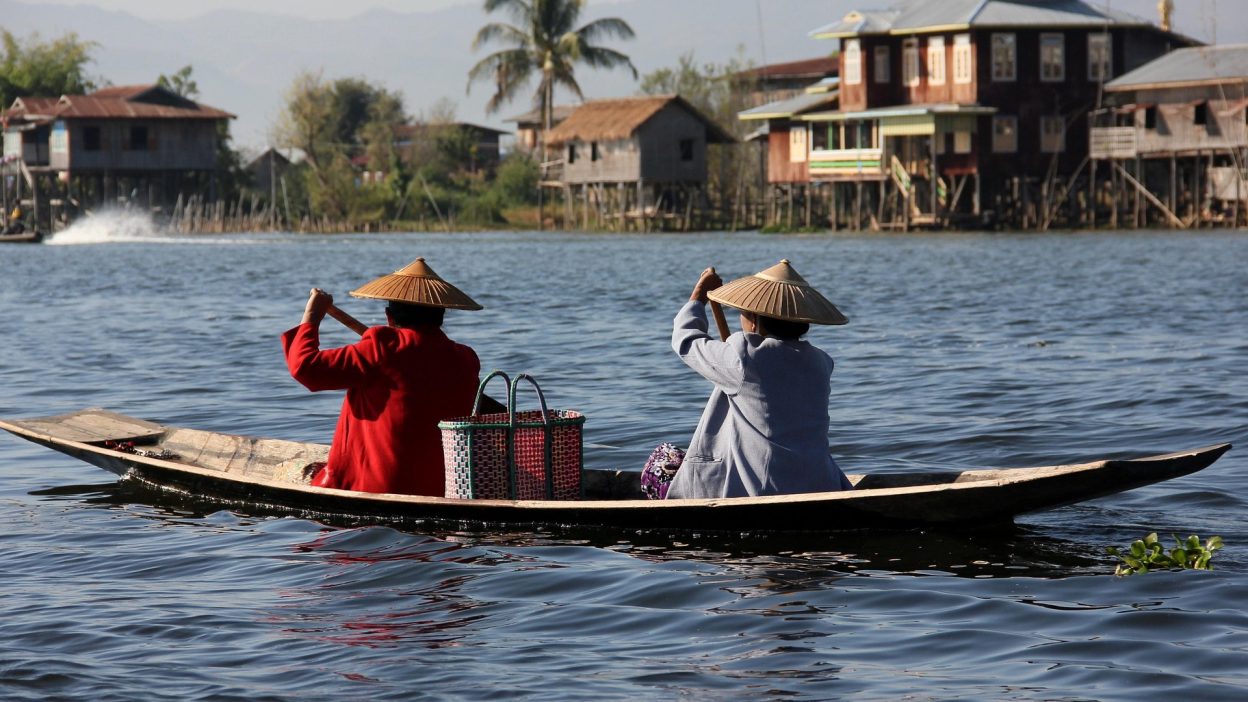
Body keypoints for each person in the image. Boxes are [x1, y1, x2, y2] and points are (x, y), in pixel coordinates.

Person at [281, 257, 483, 496]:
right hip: (441, 488)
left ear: (389, 317)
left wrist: (311, 317)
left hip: (374, 487)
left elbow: (305, 368)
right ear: (440, 317)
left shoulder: (381, 348)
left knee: (290, 472)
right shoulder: (466, 359)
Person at [665, 259, 854, 499]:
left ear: (754, 319)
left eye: (743, 312)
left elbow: (686, 342)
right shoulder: (820, 362)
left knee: (662, 460)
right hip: (821, 482)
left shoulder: (744, 355)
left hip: (763, 490)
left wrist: (698, 297)